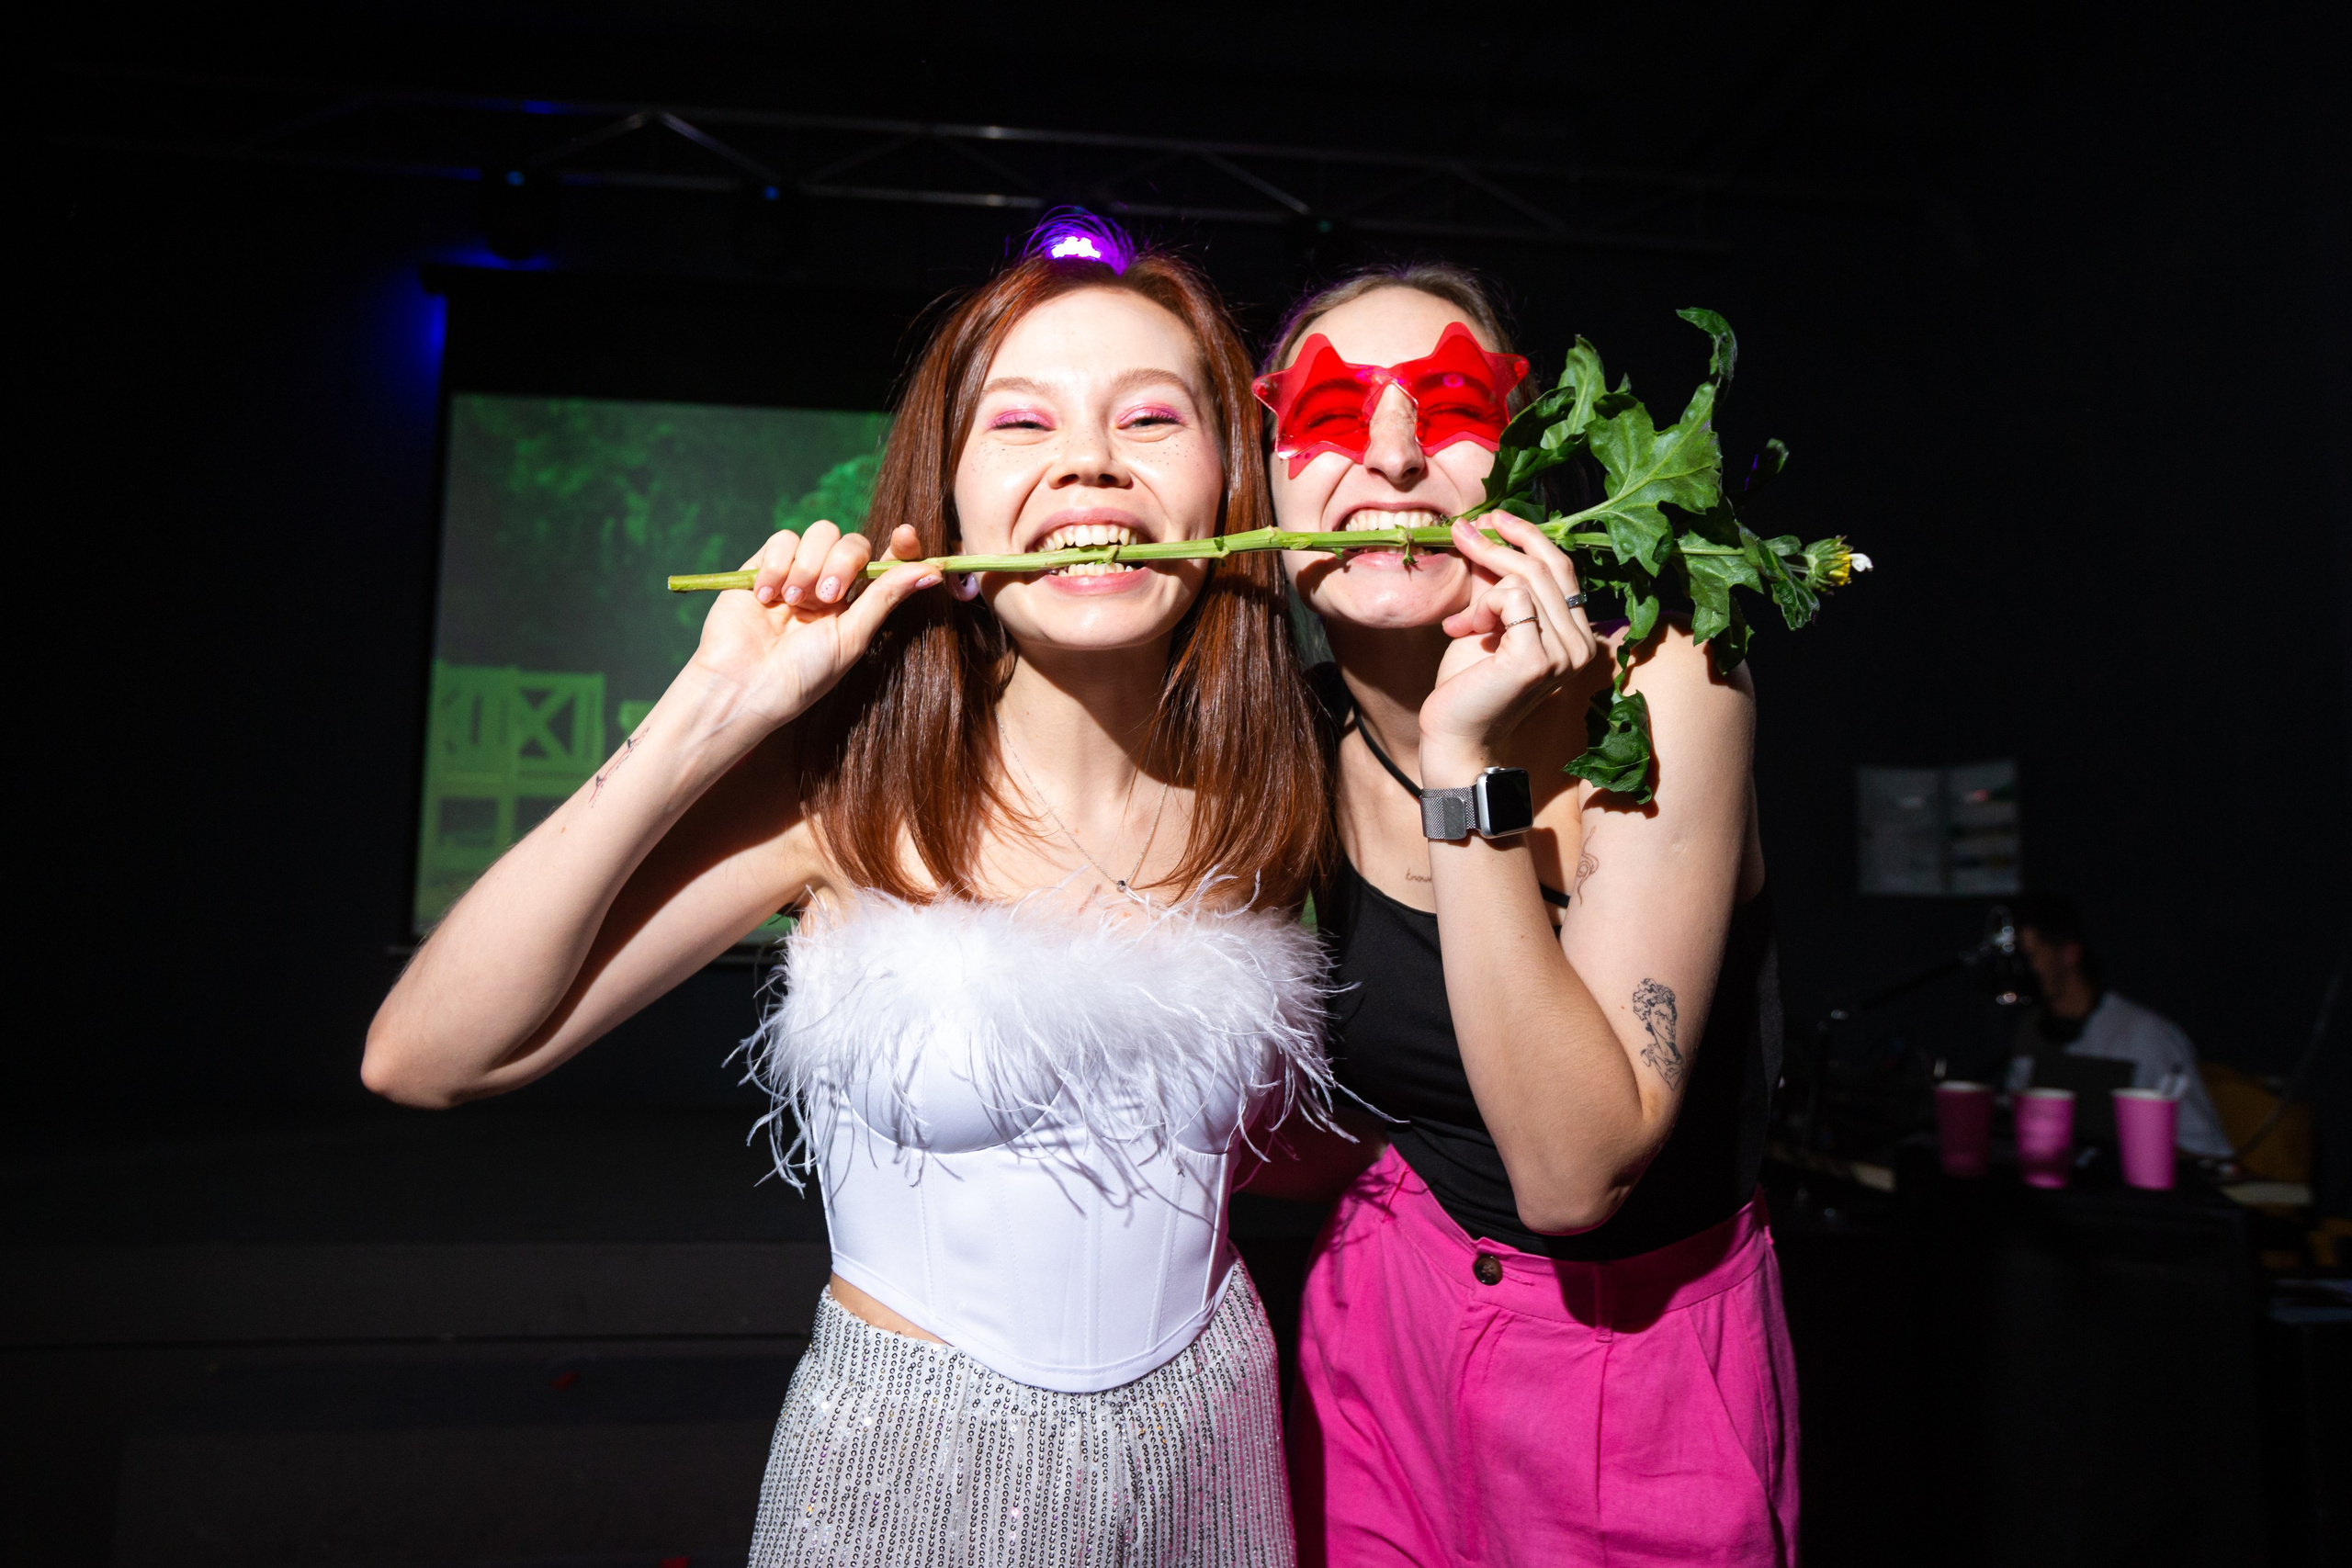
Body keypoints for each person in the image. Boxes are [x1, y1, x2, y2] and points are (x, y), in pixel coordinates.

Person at [363, 216, 1332, 1566]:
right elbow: (424, 1056)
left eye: (1151, 417)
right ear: (948, 496)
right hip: (916, 1473)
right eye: (1024, 420)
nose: (1090, 460)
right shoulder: (845, 792)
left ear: (1228, 482)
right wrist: (711, 708)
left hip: (1210, 1453)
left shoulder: (1272, 788)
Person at [1246, 265, 1797, 1566]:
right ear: (1266, 485)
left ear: (1530, 450)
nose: (1391, 455)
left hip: (1630, 1373)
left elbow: (1572, 1170)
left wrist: (1464, 767)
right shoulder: (1291, 739)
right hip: (1376, 1328)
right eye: (1327, 412)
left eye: (1445, 404)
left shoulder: (1665, 683)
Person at [2007, 894, 2231, 1157]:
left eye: (2029, 955)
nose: (2019, 968)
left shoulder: (2144, 1036)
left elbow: (2206, 1149)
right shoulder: (2031, 1033)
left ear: (2068, 954)